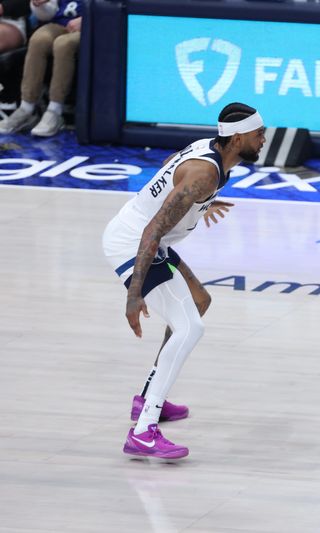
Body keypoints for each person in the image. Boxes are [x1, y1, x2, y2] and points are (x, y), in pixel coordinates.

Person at [103, 102, 265, 459]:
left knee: (200, 302)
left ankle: (147, 399)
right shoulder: (203, 176)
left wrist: (198, 204)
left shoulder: (210, 151)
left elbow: (168, 167)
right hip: (134, 242)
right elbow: (153, 228)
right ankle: (144, 432)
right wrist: (134, 294)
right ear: (238, 139)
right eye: (259, 134)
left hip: (149, 239)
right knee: (190, 327)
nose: (264, 139)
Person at [0, 0, 82, 136]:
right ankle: (27, 108)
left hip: (92, 23)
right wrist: (40, 5)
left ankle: (55, 111)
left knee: (63, 44)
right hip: (60, 23)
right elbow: (47, 14)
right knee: (39, 40)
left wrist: (89, 18)